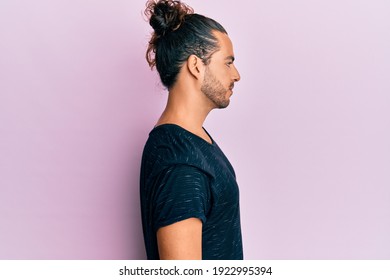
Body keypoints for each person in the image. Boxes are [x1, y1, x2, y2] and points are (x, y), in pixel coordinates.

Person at [140, 0, 242, 260]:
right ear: (196, 66)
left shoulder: (193, 141)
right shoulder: (180, 163)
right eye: (228, 63)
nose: (236, 74)